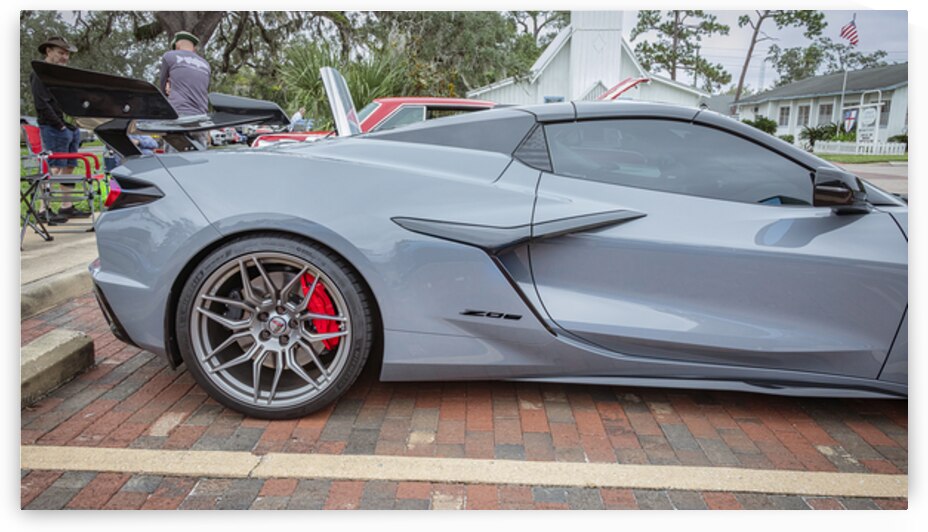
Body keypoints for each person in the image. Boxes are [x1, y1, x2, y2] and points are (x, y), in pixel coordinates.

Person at [30, 35, 87, 223]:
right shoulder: (40, 73)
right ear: (49, 51)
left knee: (69, 166)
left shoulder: (59, 74)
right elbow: (42, 104)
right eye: (61, 53)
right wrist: (60, 125)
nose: (64, 57)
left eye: (67, 54)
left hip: (69, 126)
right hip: (53, 126)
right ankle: (43, 208)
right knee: (54, 167)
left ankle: (66, 205)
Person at [159, 31, 211, 147]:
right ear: (193, 48)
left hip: (178, 116)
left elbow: (162, 87)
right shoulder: (206, 64)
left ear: (177, 45)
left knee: (174, 160)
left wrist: (168, 90)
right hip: (201, 119)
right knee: (200, 158)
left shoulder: (170, 56)